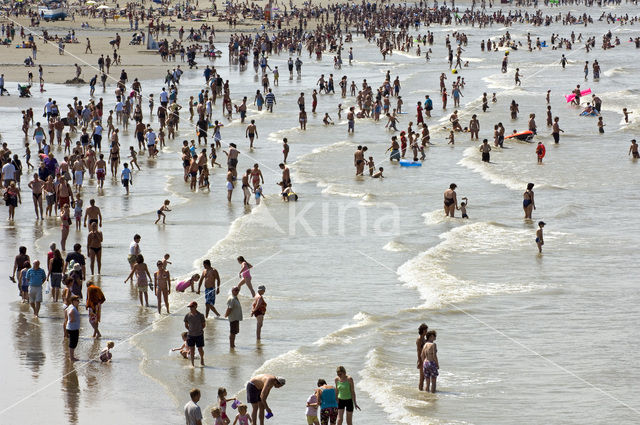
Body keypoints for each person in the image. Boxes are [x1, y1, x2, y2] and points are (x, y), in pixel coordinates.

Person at [184, 301, 206, 366]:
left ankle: (202, 358)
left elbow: (204, 325)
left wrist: (198, 330)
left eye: (192, 307)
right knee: (192, 349)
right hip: (190, 335)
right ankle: (192, 364)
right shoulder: (187, 316)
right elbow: (186, 325)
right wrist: (190, 330)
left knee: (200, 349)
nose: (190, 308)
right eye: (190, 307)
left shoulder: (201, 315)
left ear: (196, 307)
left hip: (199, 334)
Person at [64, 295, 81, 361]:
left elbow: (65, 310)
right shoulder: (73, 308)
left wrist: (67, 319)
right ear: (73, 301)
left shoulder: (71, 306)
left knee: (73, 342)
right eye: (77, 301)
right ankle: (72, 357)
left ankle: (71, 356)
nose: (78, 302)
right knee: (73, 343)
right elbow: (70, 313)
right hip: (73, 328)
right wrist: (72, 319)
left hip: (70, 327)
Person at [416, 323, 429, 391]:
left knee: (425, 377)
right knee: (422, 377)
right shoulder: (419, 339)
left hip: (425, 359)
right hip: (421, 359)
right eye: (425, 330)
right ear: (422, 331)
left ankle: (422, 390)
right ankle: (420, 390)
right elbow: (418, 351)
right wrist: (419, 361)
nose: (426, 332)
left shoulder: (424, 338)